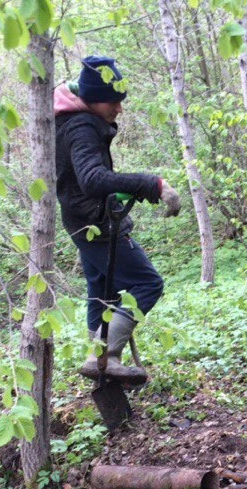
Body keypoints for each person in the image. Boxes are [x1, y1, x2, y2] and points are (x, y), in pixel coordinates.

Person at [54, 55, 181, 383]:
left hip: (82, 222)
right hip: (96, 224)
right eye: (113, 102)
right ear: (94, 98)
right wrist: (151, 184)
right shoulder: (81, 126)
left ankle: (100, 368)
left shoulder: (76, 119)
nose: (119, 109)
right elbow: (92, 179)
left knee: (102, 292)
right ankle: (106, 356)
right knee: (148, 283)